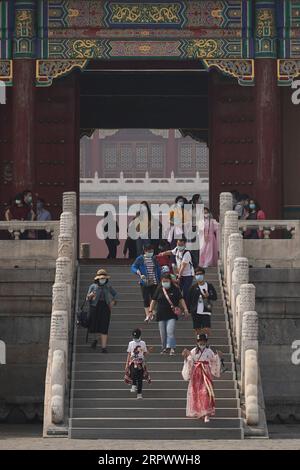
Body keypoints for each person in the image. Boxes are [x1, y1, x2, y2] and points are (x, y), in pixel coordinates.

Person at [182, 333, 222, 422]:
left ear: (206, 342)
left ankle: (206, 413)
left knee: (206, 392)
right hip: (196, 374)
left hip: (206, 374)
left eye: (204, 341)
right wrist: (185, 357)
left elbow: (214, 361)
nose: (202, 342)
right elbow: (189, 361)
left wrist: (218, 357)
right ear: (197, 341)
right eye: (200, 341)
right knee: (196, 393)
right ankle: (199, 412)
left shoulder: (209, 351)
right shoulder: (193, 351)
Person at [149, 273, 189, 355]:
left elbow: (181, 299)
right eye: (163, 281)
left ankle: (172, 348)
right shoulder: (159, 288)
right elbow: (154, 300)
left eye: (166, 281)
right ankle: (164, 348)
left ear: (170, 281)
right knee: (162, 333)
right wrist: (150, 311)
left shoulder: (175, 289)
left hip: (171, 314)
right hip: (161, 314)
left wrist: (185, 309)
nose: (164, 283)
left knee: (170, 331)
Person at [86, 269, 117, 352]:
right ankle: (95, 339)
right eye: (101, 278)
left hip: (105, 307)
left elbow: (115, 294)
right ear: (97, 279)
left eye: (104, 278)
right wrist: (91, 295)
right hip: (94, 307)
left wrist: (113, 301)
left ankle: (104, 347)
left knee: (104, 326)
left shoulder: (108, 286)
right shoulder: (92, 286)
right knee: (94, 325)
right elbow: (87, 298)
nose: (102, 280)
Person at [158, 236, 194, 303]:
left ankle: (187, 307)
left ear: (185, 244)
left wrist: (178, 276)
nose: (179, 246)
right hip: (180, 274)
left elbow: (183, 266)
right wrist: (163, 253)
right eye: (178, 244)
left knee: (185, 291)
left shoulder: (187, 253)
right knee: (178, 290)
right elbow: (171, 252)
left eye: (181, 245)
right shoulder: (177, 249)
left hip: (188, 275)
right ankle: (178, 305)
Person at [131, 244, 161, 322]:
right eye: (149, 251)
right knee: (146, 298)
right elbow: (133, 267)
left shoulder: (154, 259)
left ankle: (152, 311)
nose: (151, 252)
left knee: (154, 297)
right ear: (145, 251)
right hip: (144, 282)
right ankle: (147, 315)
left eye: (152, 251)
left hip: (154, 281)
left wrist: (160, 279)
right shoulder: (140, 259)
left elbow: (158, 269)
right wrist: (137, 271)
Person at [187, 266, 217, 337]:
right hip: (195, 311)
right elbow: (189, 300)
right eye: (197, 274)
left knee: (207, 329)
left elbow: (215, 297)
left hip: (206, 310)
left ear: (203, 275)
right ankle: (199, 344)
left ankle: (206, 344)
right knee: (197, 330)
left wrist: (208, 296)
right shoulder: (193, 288)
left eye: (200, 274)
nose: (199, 276)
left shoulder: (209, 286)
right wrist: (188, 310)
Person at [124, 328, 151, 399]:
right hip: (133, 361)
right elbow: (129, 354)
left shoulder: (143, 343)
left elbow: (144, 352)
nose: (135, 338)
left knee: (140, 378)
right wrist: (126, 364)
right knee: (133, 372)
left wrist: (146, 353)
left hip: (141, 362)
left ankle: (139, 393)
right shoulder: (131, 343)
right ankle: (133, 384)